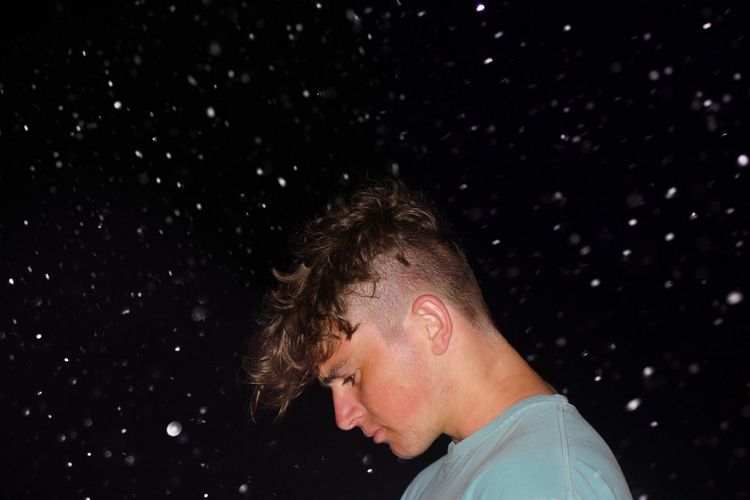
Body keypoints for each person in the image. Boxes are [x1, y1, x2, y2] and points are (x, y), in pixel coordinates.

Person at [243, 178, 633, 499]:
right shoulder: (426, 487)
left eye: (350, 377)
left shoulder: (546, 481)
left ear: (431, 324)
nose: (343, 418)